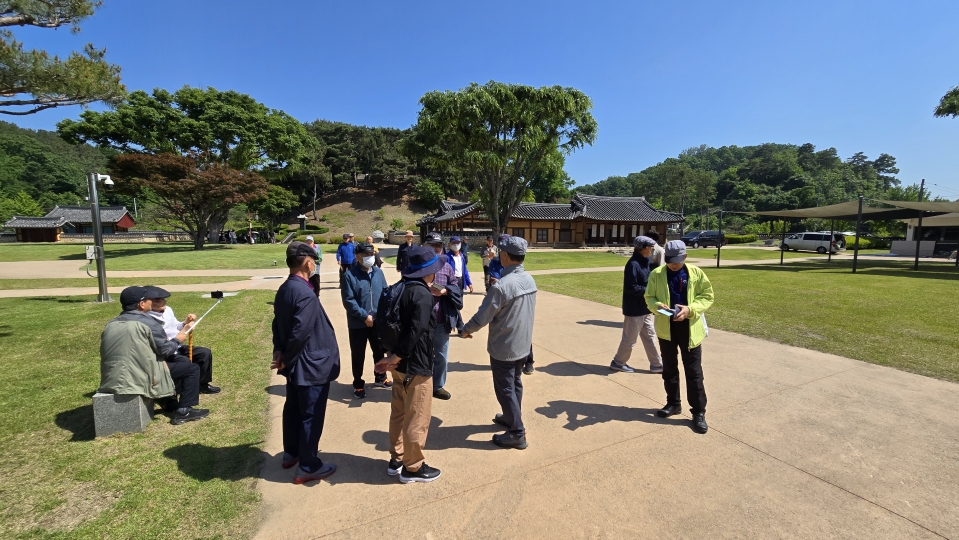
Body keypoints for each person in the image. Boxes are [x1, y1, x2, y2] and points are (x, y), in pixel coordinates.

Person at [271, 241, 341, 484]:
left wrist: (279, 351)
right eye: (314, 261)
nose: (314, 265)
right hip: (310, 365)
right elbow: (299, 333)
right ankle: (309, 465)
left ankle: (292, 452)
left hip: (296, 364)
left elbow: (277, 324)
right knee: (310, 414)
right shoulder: (305, 293)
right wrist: (286, 358)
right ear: (307, 263)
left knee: (293, 409)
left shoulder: (285, 288)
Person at [374, 245, 445, 483]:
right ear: (429, 272)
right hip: (415, 364)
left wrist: (392, 357)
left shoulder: (400, 288)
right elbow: (416, 331)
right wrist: (396, 357)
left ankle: (397, 458)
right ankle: (413, 466)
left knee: (399, 413)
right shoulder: (422, 295)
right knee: (418, 415)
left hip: (398, 365)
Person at [460, 236, 537, 449]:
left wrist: (466, 330)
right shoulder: (529, 280)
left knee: (505, 388)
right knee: (515, 383)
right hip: (522, 343)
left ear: (504, 255)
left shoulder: (502, 286)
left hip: (505, 345)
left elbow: (483, 316)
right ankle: (512, 417)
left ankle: (517, 432)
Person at [645, 240, 714, 434]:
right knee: (669, 369)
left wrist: (690, 309)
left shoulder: (696, 273)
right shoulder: (656, 274)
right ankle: (673, 403)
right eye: (669, 260)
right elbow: (649, 298)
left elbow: (707, 296)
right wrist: (657, 306)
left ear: (685, 256)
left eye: (677, 260)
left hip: (690, 329)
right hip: (666, 328)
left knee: (693, 372)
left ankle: (698, 412)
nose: (673, 264)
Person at [113, 286, 208, 425]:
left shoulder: (113, 323)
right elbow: (164, 350)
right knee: (191, 368)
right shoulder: (148, 323)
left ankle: (167, 399)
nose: (152, 301)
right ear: (142, 304)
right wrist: (177, 340)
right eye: (149, 299)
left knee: (183, 361)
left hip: (118, 373)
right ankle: (184, 411)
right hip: (140, 372)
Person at [147, 289, 221, 394]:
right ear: (152, 302)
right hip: (167, 351)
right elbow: (162, 341)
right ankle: (180, 390)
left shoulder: (168, 310)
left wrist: (184, 323)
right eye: (161, 299)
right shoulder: (148, 318)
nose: (165, 301)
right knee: (184, 361)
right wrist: (183, 331)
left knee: (204, 353)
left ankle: (202, 384)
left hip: (178, 346)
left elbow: (175, 326)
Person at [341, 242, 390, 398]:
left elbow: (385, 292)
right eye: (366, 255)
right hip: (358, 323)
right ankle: (358, 383)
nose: (370, 257)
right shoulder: (349, 275)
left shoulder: (378, 272)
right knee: (358, 354)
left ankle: (380, 377)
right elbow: (348, 301)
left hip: (377, 322)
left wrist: (382, 314)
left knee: (379, 351)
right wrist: (364, 316)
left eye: (371, 254)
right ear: (358, 257)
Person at [610, 236, 663, 374]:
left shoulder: (646, 262)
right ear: (644, 249)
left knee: (650, 336)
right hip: (634, 309)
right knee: (629, 339)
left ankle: (657, 364)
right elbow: (631, 287)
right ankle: (618, 362)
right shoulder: (633, 264)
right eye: (651, 248)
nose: (652, 250)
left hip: (645, 308)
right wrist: (650, 292)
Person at [423, 232, 464, 400]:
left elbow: (455, 287)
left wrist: (444, 290)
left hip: (441, 318)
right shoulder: (418, 265)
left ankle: (438, 386)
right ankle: (420, 385)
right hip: (421, 320)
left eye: (438, 245)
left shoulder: (447, 267)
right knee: (421, 355)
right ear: (425, 246)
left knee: (441, 356)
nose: (436, 248)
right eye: (432, 245)